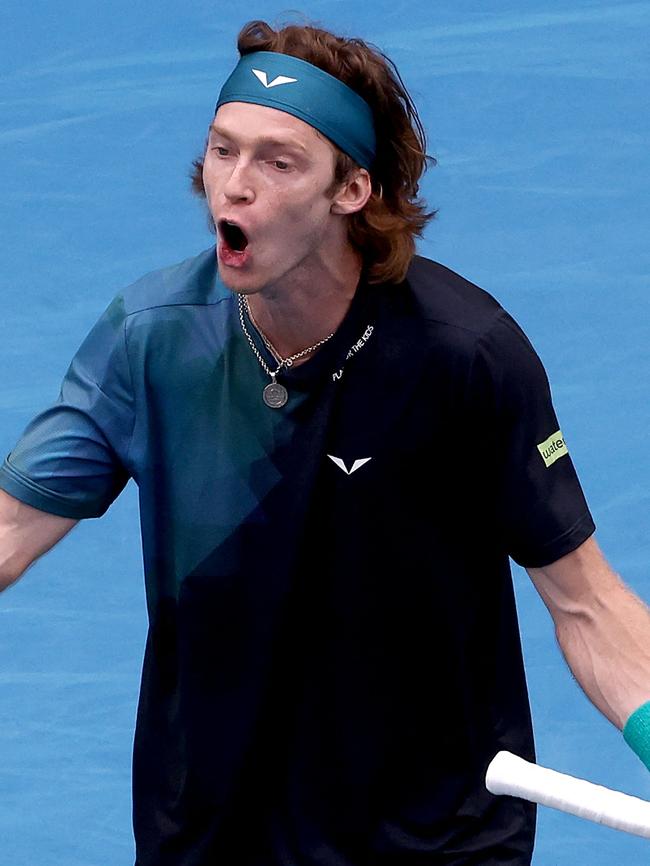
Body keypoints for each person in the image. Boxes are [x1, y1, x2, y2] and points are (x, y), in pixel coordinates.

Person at [0, 18, 648, 866]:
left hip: (431, 836)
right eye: (222, 150)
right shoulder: (151, 339)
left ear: (351, 191)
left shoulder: (465, 354)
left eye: (277, 161)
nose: (231, 188)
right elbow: (10, 533)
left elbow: (588, 604)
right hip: (214, 827)